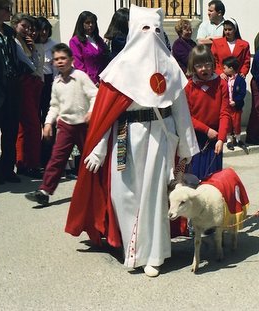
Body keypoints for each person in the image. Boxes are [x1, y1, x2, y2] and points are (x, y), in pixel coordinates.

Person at [65, 5, 199, 278]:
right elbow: (107, 114)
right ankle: (132, 246)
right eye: (145, 29)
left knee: (154, 198)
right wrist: (99, 148)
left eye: (157, 29)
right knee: (123, 194)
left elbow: (182, 112)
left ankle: (154, 254)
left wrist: (186, 150)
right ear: (135, 31)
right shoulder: (120, 68)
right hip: (126, 136)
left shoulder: (172, 69)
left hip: (161, 137)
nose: (151, 35)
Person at [24, 43, 97, 206]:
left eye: (63, 58)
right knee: (57, 158)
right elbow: (54, 105)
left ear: (71, 60)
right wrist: (48, 123)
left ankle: (98, 191)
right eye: (56, 59)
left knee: (89, 159)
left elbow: (95, 95)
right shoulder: (56, 82)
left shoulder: (80, 77)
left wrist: (91, 111)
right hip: (65, 126)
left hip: (83, 125)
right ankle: (44, 191)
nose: (60, 62)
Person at [0, 0, 22, 185]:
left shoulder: (9, 32)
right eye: (7, 9)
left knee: (11, 130)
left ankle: (9, 169)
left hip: (12, 87)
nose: (10, 12)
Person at [184, 44, 231, 179]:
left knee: (213, 178)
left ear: (213, 64)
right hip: (195, 138)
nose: (204, 69)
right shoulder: (188, 86)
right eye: (199, 66)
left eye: (207, 64)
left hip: (215, 138)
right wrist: (206, 130)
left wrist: (221, 138)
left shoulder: (220, 84)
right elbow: (187, 116)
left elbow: (225, 112)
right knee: (195, 178)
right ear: (193, 67)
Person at [12, 13, 45, 178]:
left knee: (26, 126)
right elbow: (31, 66)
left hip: (33, 85)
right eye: (24, 26)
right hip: (24, 84)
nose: (27, 30)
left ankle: (24, 163)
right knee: (31, 125)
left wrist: (33, 49)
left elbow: (37, 66)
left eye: (29, 28)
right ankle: (30, 164)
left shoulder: (27, 43)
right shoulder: (14, 42)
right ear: (15, 24)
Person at [35, 16, 58, 168]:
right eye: (41, 29)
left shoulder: (54, 45)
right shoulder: (31, 45)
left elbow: (56, 68)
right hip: (36, 83)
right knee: (35, 121)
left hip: (50, 83)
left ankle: (48, 156)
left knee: (49, 121)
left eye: (46, 29)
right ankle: (36, 156)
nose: (43, 32)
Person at [69, 10, 109, 85]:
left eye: (93, 22)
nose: (91, 25)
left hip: (102, 81)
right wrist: (92, 81)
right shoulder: (75, 41)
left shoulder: (98, 39)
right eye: (87, 23)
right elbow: (79, 65)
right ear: (81, 24)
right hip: (87, 82)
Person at [222, 56, 246, 150]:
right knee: (227, 123)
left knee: (236, 123)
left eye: (225, 68)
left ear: (231, 68)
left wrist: (236, 102)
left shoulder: (240, 80)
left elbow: (242, 93)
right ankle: (229, 140)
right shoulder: (225, 79)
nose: (223, 70)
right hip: (227, 106)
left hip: (236, 107)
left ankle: (238, 139)